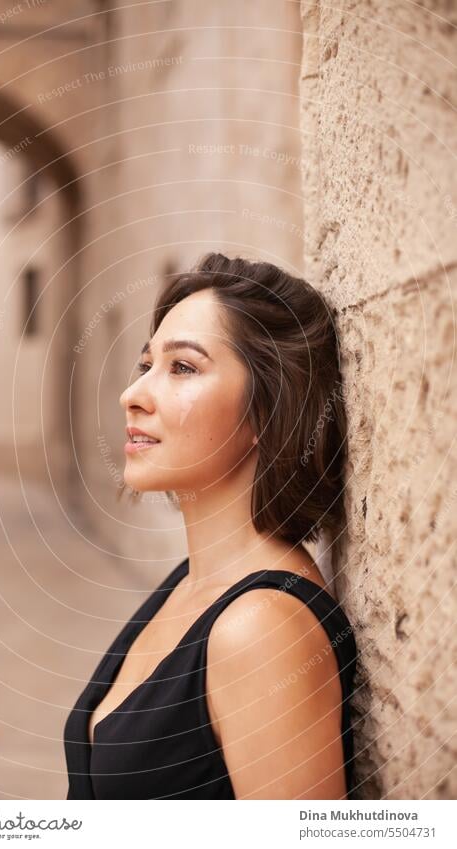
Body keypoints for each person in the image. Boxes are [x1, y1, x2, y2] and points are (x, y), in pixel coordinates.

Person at [64, 251, 357, 799]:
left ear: (268, 411)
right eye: (146, 364)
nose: (133, 394)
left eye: (183, 368)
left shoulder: (261, 628)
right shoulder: (191, 581)